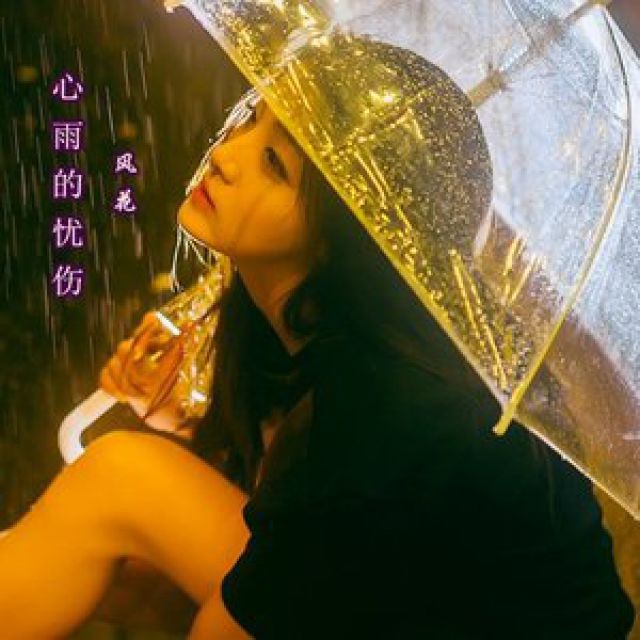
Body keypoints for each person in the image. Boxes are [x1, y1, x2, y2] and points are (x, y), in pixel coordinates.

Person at [0, 38, 635, 639]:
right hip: (400, 597)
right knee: (110, 545)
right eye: (252, 121)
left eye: (274, 165)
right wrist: (178, 420)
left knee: (117, 483)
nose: (225, 155)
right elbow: (288, 521)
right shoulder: (321, 329)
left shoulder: (392, 407)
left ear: (346, 232)